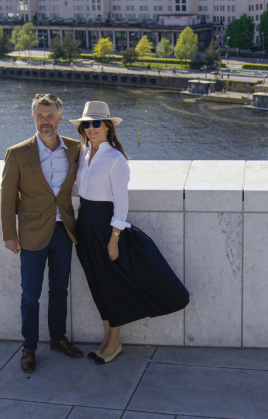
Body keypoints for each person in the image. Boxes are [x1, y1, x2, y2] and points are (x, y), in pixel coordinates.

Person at [70, 101, 190, 365]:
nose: (91, 128)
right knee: (97, 285)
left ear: (108, 126)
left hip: (104, 229)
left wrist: (114, 239)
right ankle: (106, 340)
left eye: (96, 123)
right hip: (85, 226)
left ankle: (115, 343)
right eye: (86, 124)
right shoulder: (84, 153)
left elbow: (121, 203)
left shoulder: (116, 159)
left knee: (113, 286)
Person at [0, 93, 83, 373]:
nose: (45, 121)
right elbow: (7, 197)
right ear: (33, 117)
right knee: (30, 294)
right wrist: (9, 234)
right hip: (32, 232)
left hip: (64, 231)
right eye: (40, 116)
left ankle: (58, 338)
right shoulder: (17, 153)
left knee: (60, 289)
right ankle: (29, 347)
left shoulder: (75, 149)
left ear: (60, 119)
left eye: (50, 116)